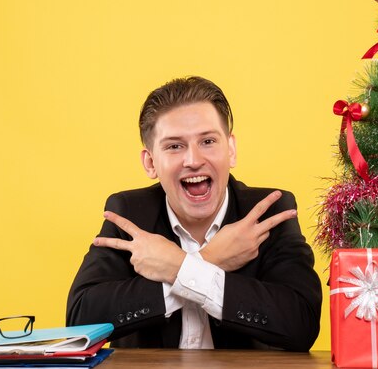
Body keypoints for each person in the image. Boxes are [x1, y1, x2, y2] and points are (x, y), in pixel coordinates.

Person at [66, 76, 322, 351]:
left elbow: (301, 324)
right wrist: (210, 261)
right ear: (151, 162)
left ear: (231, 150)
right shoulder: (129, 214)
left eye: (208, 141)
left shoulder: (268, 213)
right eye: (174, 146)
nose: (193, 160)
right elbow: (80, 323)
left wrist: (178, 267)